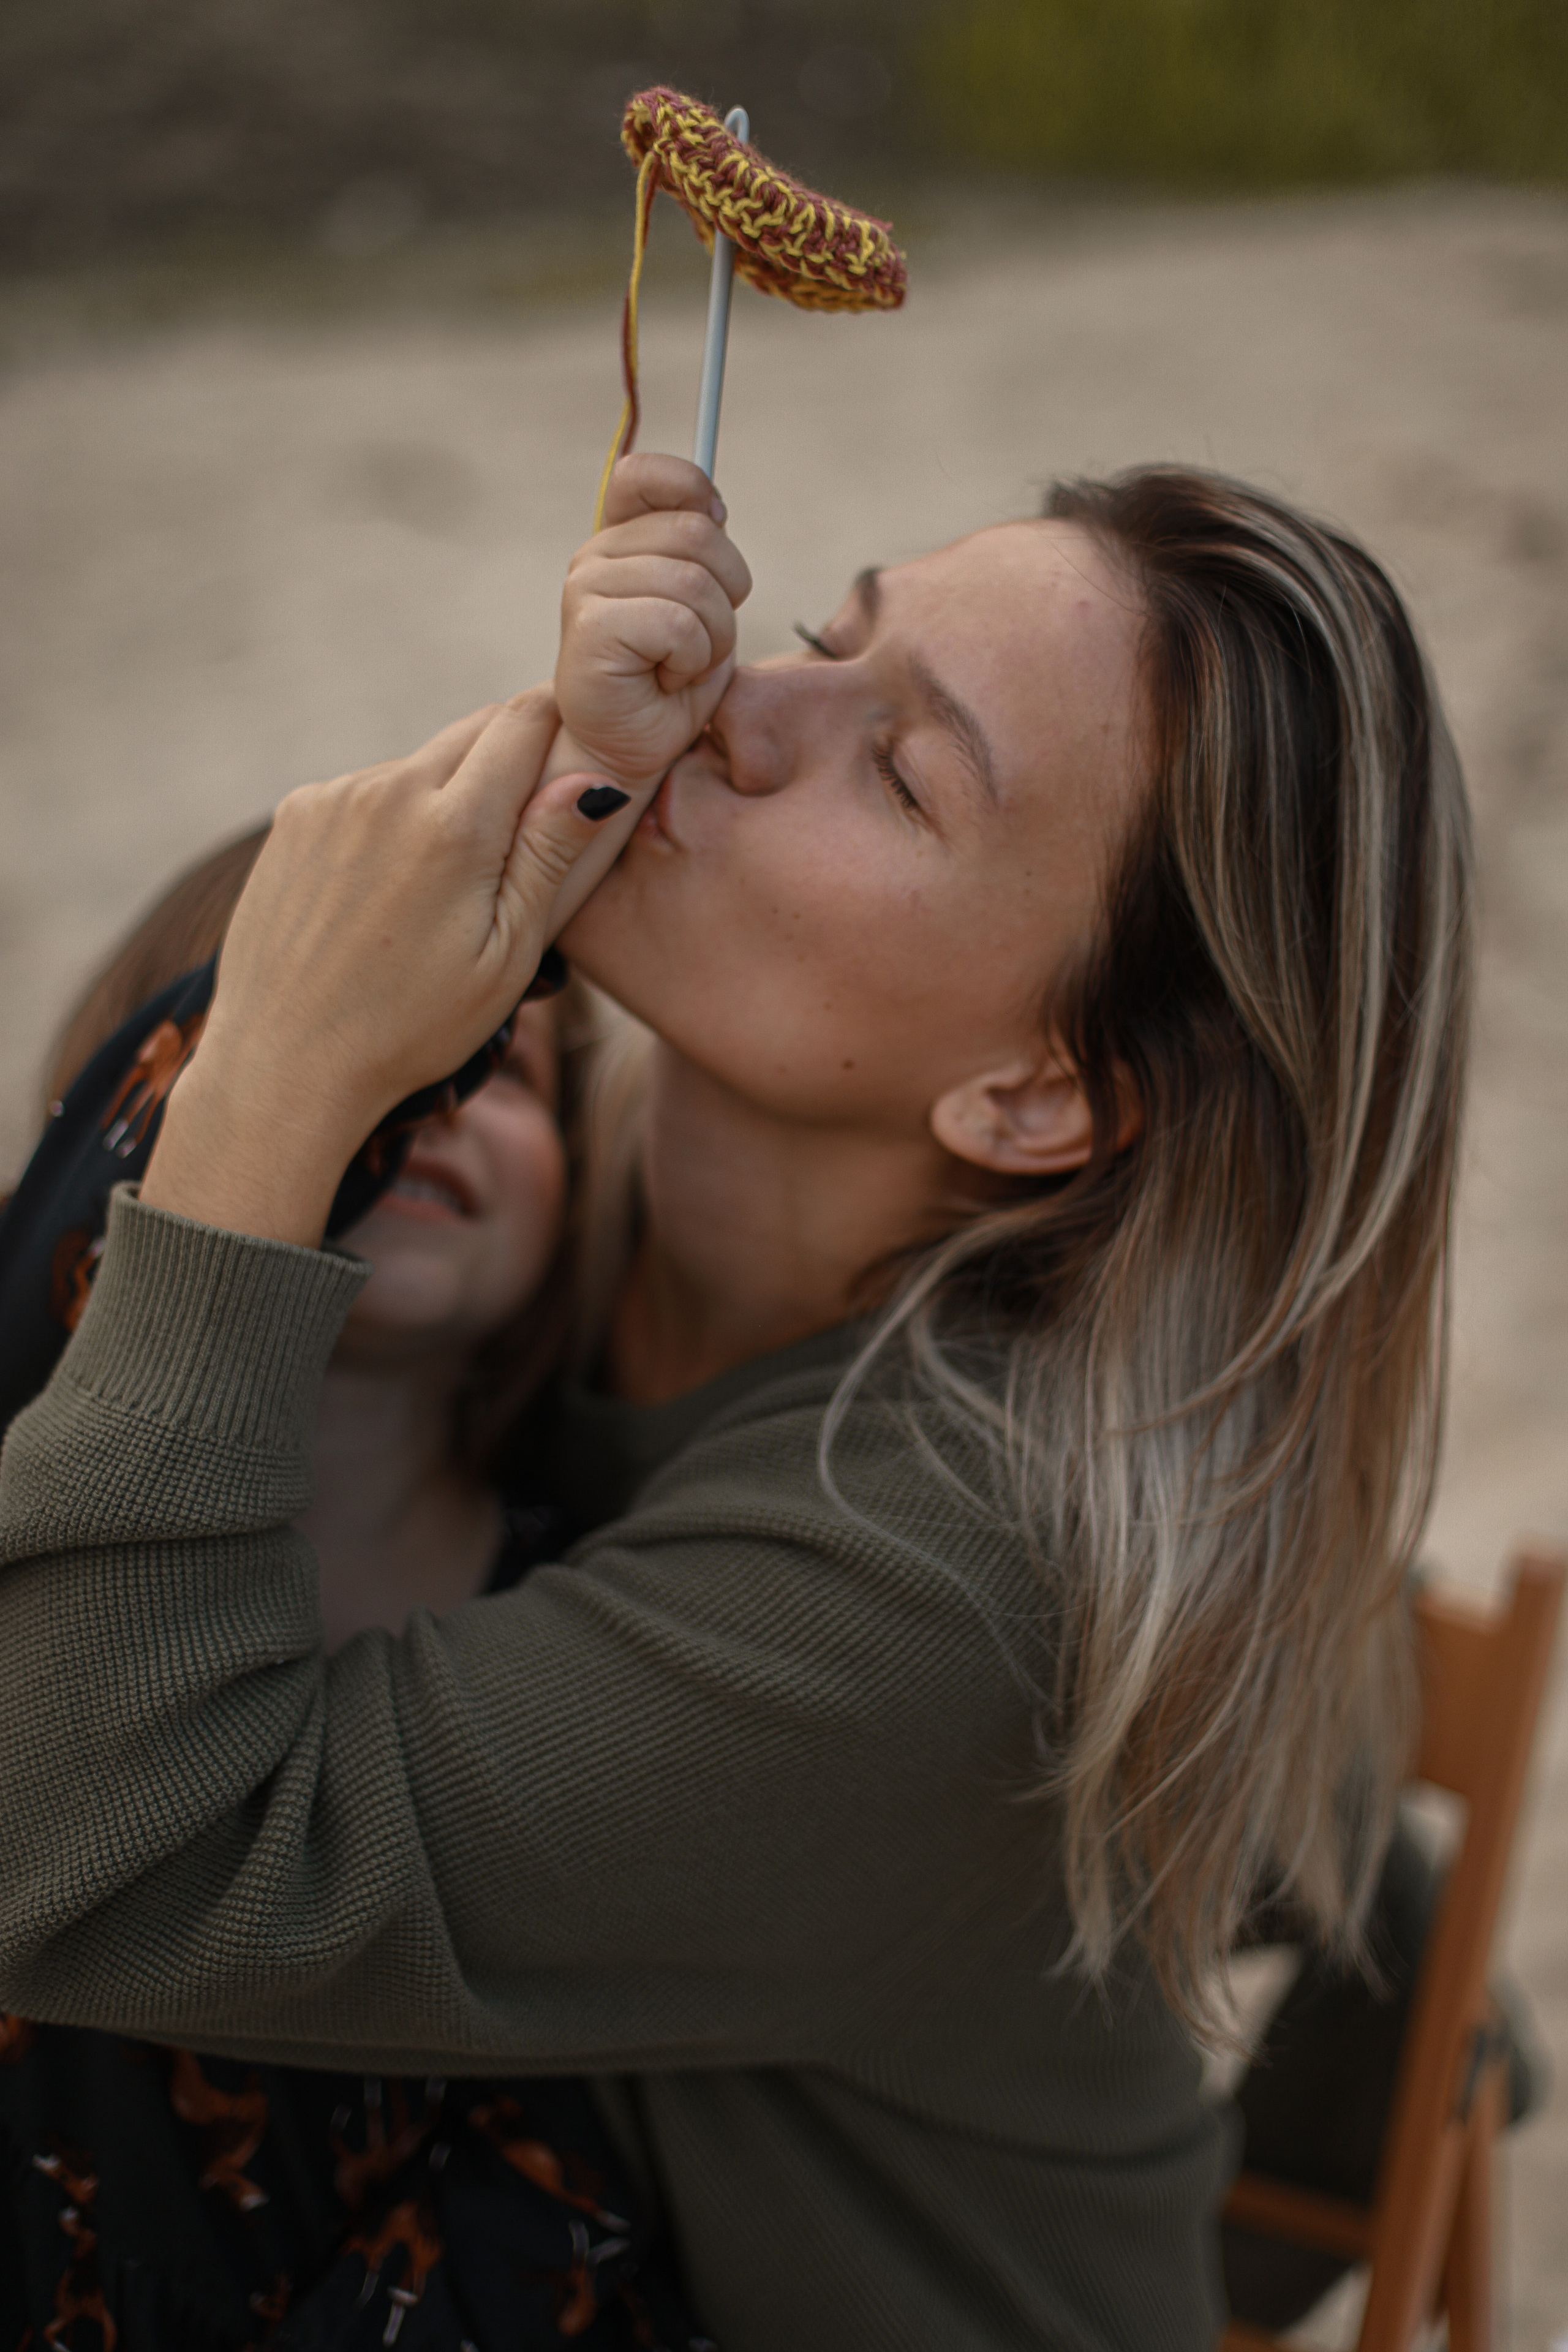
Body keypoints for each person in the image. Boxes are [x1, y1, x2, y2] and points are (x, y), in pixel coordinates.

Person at [0, 454, 1475, 2352]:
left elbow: (96, 1859)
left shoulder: (961, 1568)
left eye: (906, 770)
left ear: (1039, 1095)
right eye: (820, 641)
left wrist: (281, 1072)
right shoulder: (552, 1183)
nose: (735, 711)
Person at [0, 838, 709, 2350]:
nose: (434, 1094)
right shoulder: (26, 1541)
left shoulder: (601, 1614)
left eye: (503, 1071)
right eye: (354, 1043)